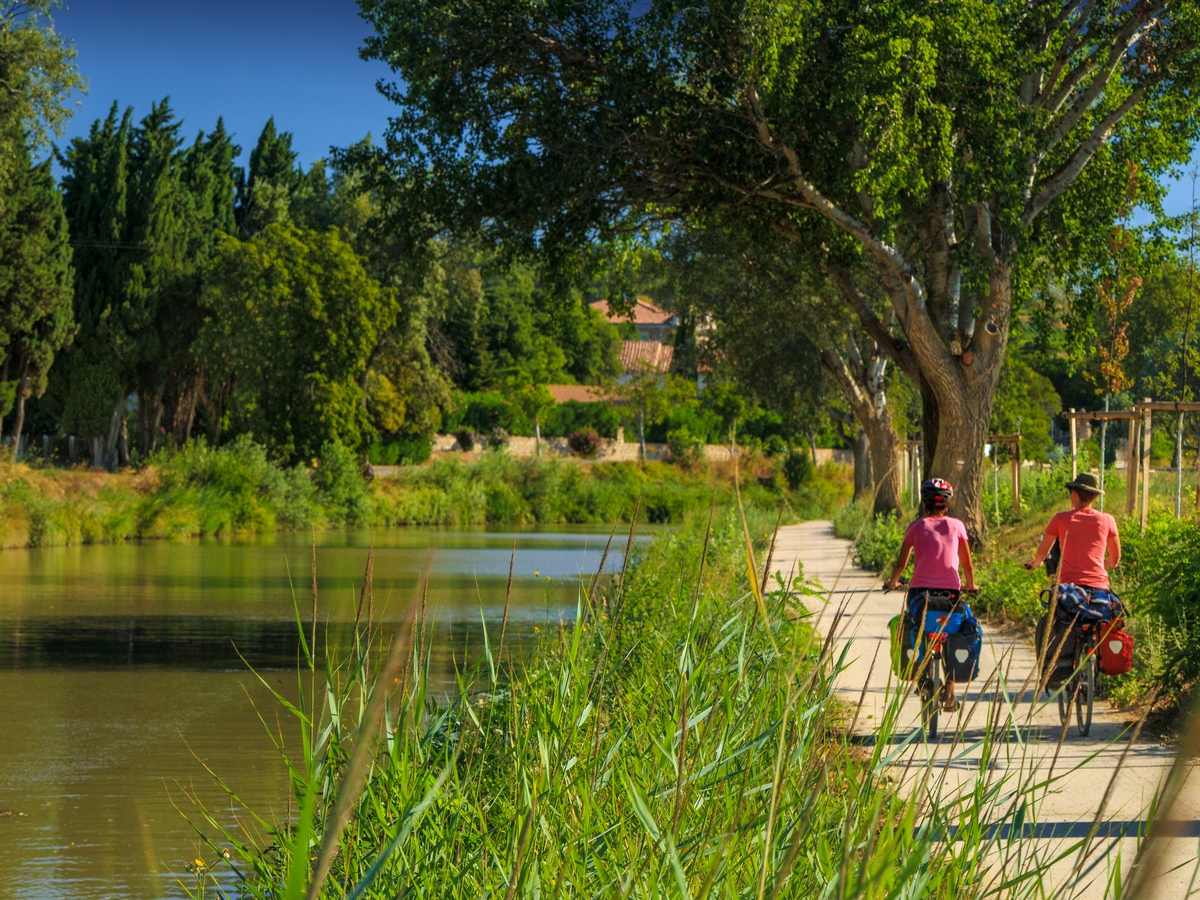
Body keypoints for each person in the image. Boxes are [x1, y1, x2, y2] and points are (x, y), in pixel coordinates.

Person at [885, 478, 977, 710]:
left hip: (920, 593)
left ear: (924, 501)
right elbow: (967, 565)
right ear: (948, 502)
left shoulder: (915, 527)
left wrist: (892, 582)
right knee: (953, 633)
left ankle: (922, 674)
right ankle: (949, 693)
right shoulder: (957, 526)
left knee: (918, 626)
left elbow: (901, 564)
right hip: (951, 594)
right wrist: (971, 585)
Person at [1024, 471, 1121, 590]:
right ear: (1095, 496)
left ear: (1074, 494)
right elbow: (1115, 558)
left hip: (1069, 588)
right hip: (1099, 588)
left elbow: (1041, 554)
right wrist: (1107, 563)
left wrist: (1035, 563)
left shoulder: (1060, 519)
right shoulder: (1108, 520)